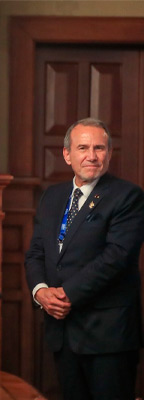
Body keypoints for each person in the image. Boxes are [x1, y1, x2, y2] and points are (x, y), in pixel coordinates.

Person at [25, 118, 144, 399]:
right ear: (67, 155)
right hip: (63, 332)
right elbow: (36, 252)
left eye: (99, 148)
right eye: (83, 148)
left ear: (109, 154)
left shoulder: (128, 196)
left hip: (108, 336)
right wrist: (40, 291)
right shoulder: (52, 197)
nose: (92, 156)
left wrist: (64, 295)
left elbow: (116, 258)